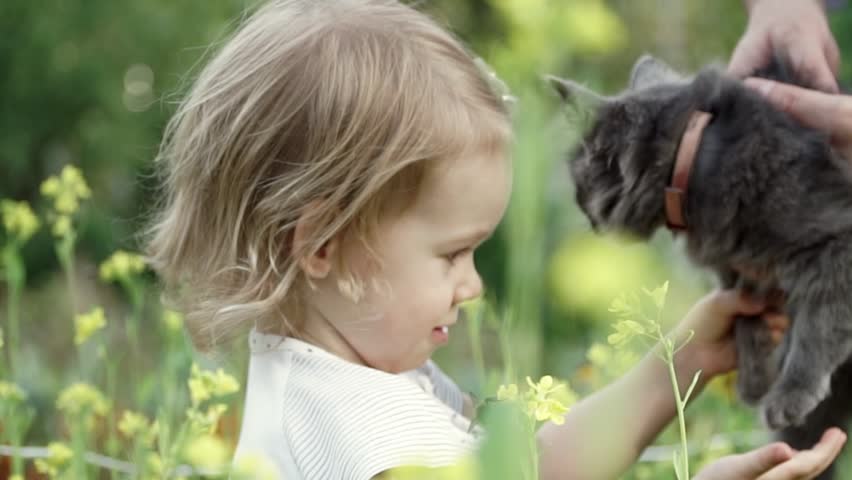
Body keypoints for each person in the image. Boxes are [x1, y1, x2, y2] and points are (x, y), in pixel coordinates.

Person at [145, 0, 846, 478]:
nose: (473, 285)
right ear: (323, 244)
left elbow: (531, 468)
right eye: (451, 253)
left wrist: (685, 358)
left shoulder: (351, 375)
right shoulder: (360, 431)